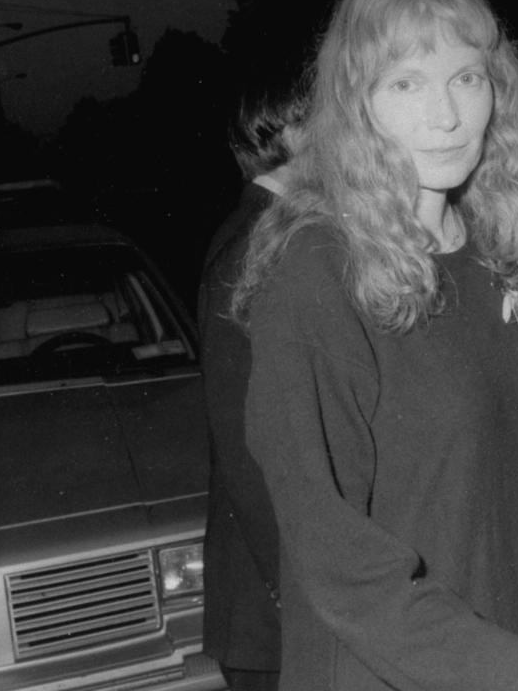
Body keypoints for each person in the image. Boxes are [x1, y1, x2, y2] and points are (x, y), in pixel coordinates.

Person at [232, 0, 518, 691]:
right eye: (406, 84)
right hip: (400, 669)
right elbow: (332, 555)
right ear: (356, 106)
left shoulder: (491, 252)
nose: (447, 116)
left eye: (466, 78)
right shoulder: (317, 270)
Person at [197, 58, 308, 691]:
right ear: (291, 129)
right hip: (274, 617)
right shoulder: (255, 245)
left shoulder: (279, 233)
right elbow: (246, 447)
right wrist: (307, 595)